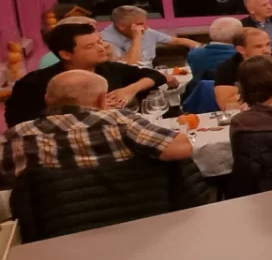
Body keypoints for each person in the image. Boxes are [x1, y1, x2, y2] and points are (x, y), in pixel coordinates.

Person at [0, 71, 192, 185]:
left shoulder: (16, 135)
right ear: (102, 99)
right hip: (134, 212)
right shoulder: (118, 120)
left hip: (49, 227)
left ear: (47, 100)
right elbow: (180, 149)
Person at [5, 24, 167, 127]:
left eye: (99, 42)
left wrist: (130, 90)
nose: (101, 48)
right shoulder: (35, 83)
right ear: (66, 54)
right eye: (90, 46)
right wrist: (90, 110)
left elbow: (155, 76)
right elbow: (18, 121)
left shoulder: (108, 69)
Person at [100, 5, 199, 65]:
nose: (146, 27)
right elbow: (130, 66)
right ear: (121, 26)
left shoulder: (147, 31)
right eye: (140, 24)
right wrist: (137, 38)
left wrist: (204, 50)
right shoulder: (105, 41)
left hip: (151, 77)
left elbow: (178, 41)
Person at [213, 27, 272, 111]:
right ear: (241, 49)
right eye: (258, 46)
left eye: (268, 44)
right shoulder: (227, 69)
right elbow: (226, 105)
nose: (266, 51)